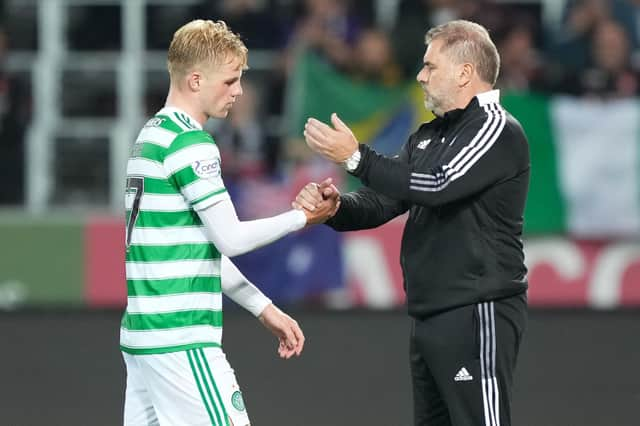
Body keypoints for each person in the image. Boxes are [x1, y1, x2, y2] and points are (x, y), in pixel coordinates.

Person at [295, 19, 529, 426]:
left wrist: (357, 158)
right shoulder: (429, 135)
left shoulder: (496, 128)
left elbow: (439, 184)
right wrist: (336, 209)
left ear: (464, 72)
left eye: (430, 66)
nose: (420, 76)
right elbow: (387, 199)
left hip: (477, 311)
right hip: (430, 314)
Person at [121, 19, 334, 426]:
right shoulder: (190, 144)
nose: (238, 91)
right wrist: (303, 217)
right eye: (230, 81)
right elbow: (231, 238)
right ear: (196, 80)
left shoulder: (151, 136)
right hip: (182, 338)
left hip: (143, 339)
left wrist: (262, 307)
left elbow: (201, 245)